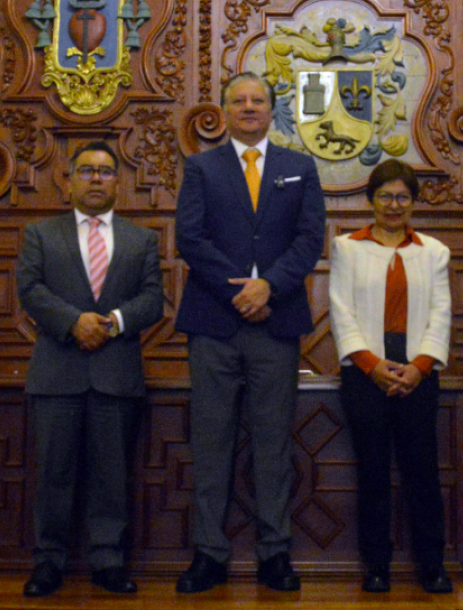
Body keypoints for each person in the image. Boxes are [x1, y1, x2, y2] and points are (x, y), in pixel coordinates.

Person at [174, 72, 326, 593]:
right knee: (211, 442)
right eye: (238, 100)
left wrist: (269, 288)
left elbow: (309, 242)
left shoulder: (299, 167)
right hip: (214, 322)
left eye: (257, 100)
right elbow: (189, 239)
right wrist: (240, 290)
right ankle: (209, 554)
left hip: (276, 322)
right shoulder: (200, 168)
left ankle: (275, 553)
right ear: (223, 110)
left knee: (272, 443)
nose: (248, 107)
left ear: (271, 108)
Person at [16, 141, 164, 598]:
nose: (96, 179)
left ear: (118, 181)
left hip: (115, 373)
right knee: (53, 474)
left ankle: (108, 562)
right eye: (86, 171)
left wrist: (113, 323)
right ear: (69, 180)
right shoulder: (41, 233)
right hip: (57, 373)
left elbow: (152, 300)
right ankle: (49, 563)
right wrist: (73, 322)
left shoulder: (142, 239)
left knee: (110, 475)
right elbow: (30, 289)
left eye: (104, 172)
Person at [329, 158, 453, 594]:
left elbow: (440, 315)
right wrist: (371, 365)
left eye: (402, 196)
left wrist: (419, 368)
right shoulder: (347, 247)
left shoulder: (434, 251)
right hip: (365, 372)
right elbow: (340, 311)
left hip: (418, 371)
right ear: (371, 200)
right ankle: (376, 565)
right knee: (374, 472)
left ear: (414, 202)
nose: (394, 204)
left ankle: (432, 566)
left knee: (422, 471)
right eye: (385, 196)